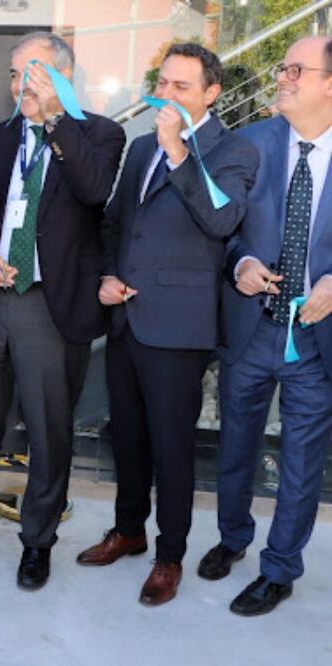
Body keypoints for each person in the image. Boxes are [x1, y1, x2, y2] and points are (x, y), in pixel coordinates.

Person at [0, 32, 125, 590]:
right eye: (16, 74)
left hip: (52, 305)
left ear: (64, 79)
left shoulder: (99, 133)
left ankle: (37, 540)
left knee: (49, 431)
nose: (22, 84)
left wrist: (54, 122)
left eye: (36, 74)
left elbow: (93, 191)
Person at [77, 43, 258, 606]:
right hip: (127, 317)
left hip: (180, 329)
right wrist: (107, 276)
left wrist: (179, 151)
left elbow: (223, 219)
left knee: (172, 448)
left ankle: (168, 555)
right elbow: (114, 224)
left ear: (211, 93)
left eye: (182, 86)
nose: (169, 95)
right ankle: (129, 530)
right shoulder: (138, 150)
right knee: (126, 438)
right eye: (164, 83)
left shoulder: (234, 150)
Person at [198, 36, 332, 616]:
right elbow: (223, 230)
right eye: (283, 67)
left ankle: (279, 570)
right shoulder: (249, 143)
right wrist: (243, 263)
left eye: (296, 69)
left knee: (302, 461)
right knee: (236, 446)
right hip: (252, 328)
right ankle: (232, 538)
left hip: (316, 340)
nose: (283, 76)